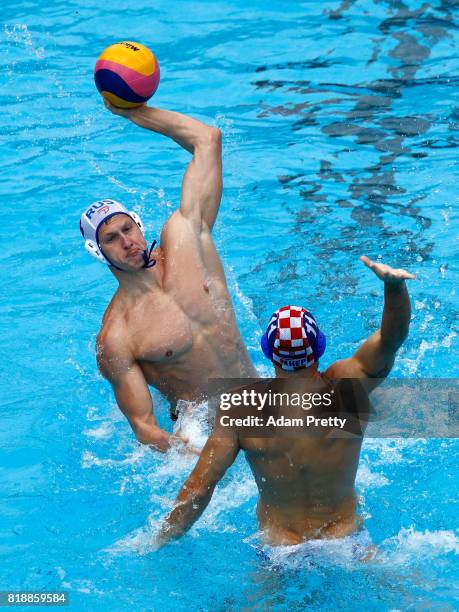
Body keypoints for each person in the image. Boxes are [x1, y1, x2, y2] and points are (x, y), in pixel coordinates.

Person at [155, 255, 415, 546]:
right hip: (344, 541)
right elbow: (392, 339)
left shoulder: (241, 407)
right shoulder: (347, 385)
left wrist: (158, 540)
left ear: (268, 352)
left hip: (280, 548)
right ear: (319, 347)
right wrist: (394, 288)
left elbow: (199, 488)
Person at [80, 102, 256, 453]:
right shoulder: (118, 335)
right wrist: (195, 455)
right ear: (98, 252)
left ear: (139, 225)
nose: (126, 241)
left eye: (127, 229)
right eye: (111, 239)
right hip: (212, 433)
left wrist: (132, 112)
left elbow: (207, 139)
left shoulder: (185, 239)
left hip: (260, 399)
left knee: (387, 414)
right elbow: (145, 429)